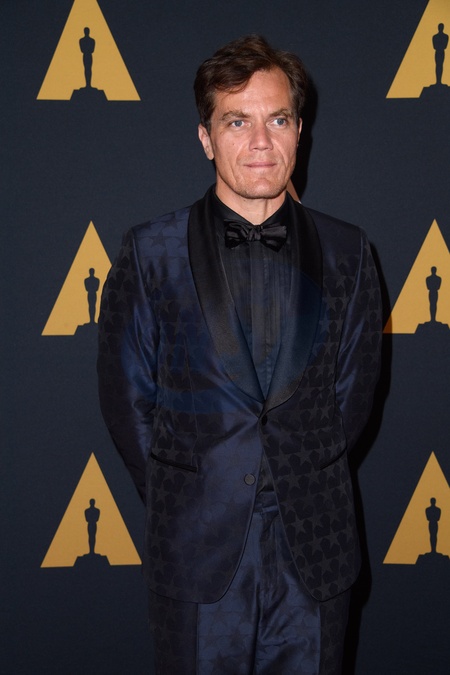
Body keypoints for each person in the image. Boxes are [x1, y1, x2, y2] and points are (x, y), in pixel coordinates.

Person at [97, 34, 382, 675]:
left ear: (299, 130)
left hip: (316, 552)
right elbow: (127, 399)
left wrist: (301, 474)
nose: (260, 142)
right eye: (236, 121)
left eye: (277, 120)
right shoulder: (150, 252)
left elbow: (353, 396)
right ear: (206, 138)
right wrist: (188, 490)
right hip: (196, 547)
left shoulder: (349, 251)